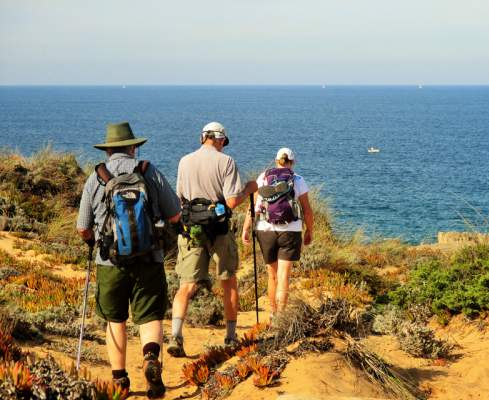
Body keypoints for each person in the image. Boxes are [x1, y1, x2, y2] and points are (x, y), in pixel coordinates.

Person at [76, 122, 181, 398]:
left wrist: (93, 243)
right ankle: (150, 360)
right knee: (150, 316)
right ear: (133, 147)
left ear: (109, 150)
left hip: (110, 263)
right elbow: (174, 214)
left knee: (116, 320)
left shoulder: (95, 177)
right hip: (149, 259)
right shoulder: (148, 171)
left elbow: (83, 227)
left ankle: (120, 381)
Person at [168, 121, 257, 357]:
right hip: (219, 231)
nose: (223, 146)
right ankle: (230, 337)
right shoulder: (226, 162)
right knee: (228, 282)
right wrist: (249, 188)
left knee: (186, 286)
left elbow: (179, 199)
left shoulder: (184, 161)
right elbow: (231, 202)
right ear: (218, 139)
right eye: (223, 142)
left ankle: (176, 335)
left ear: (202, 137)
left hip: (192, 230)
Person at [242, 147, 314, 318]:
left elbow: (253, 208)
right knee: (283, 277)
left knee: (272, 276)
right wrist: (309, 231)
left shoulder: (263, 177)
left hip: (265, 230)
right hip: (290, 231)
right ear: (292, 162)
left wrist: (245, 228)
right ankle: (281, 317)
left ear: (276, 161)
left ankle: (273, 313)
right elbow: (307, 211)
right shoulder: (298, 180)